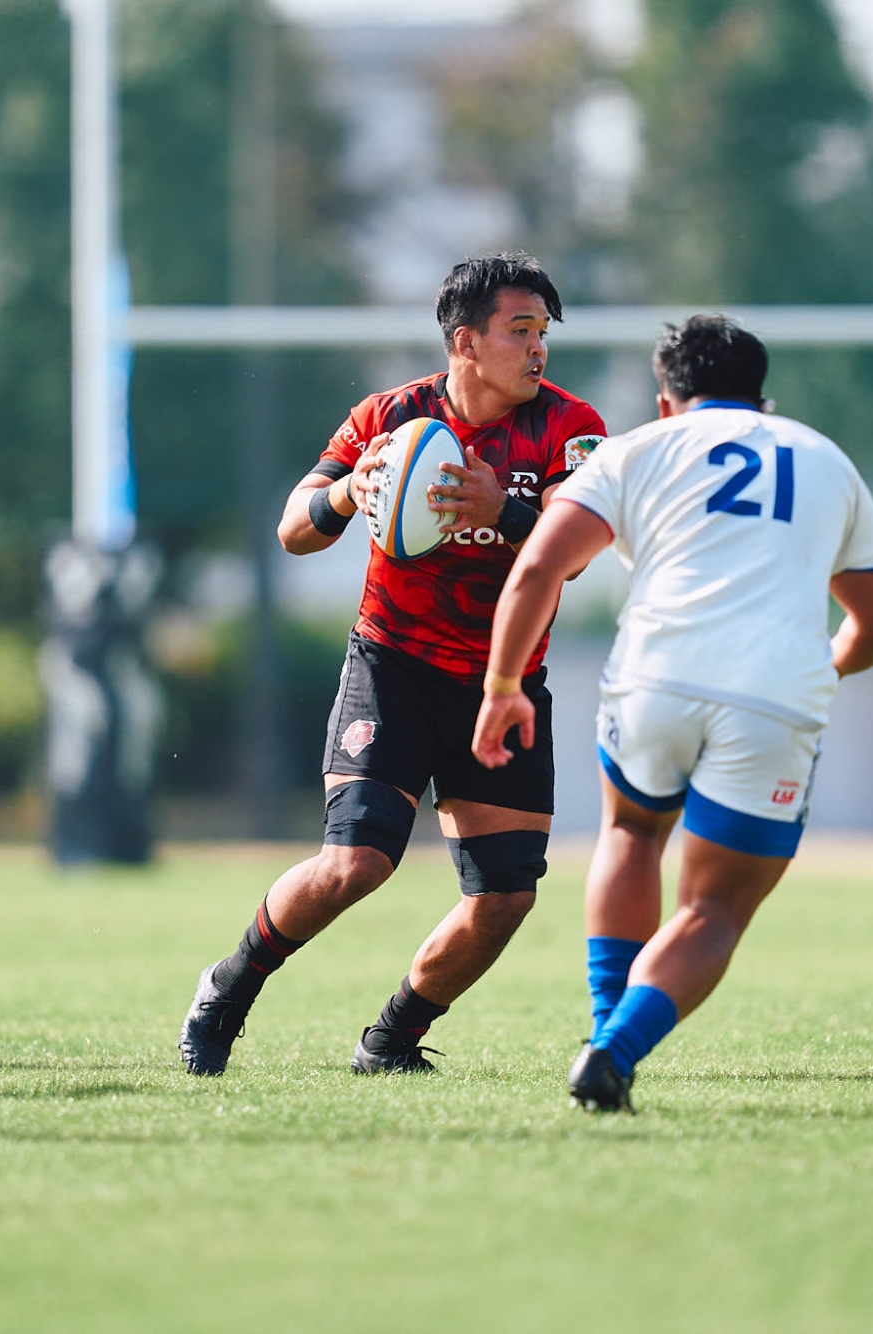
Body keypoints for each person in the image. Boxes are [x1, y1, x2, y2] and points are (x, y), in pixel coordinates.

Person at [179, 253, 608, 1076]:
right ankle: (226, 990)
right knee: (356, 863)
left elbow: (580, 552)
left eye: (541, 333)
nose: (537, 349)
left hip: (503, 683)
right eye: (519, 332)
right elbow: (292, 529)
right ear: (465, 342)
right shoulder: (389, 416)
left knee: (504, 898)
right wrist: (347, 494)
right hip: (395, 665)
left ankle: (391, 1040)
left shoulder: (569, 426)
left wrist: (503, 509)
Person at [471, 314, 873, 1111]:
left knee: (632, 832)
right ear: (762, 400)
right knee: (714, 908)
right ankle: (614, 1051)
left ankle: (604, 1031)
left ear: (667, 400)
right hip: (774, 695)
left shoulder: (637, 447)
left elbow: (539, 565)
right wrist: (823, 669)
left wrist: (502, 687)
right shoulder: (825, 459)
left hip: (653, 680)